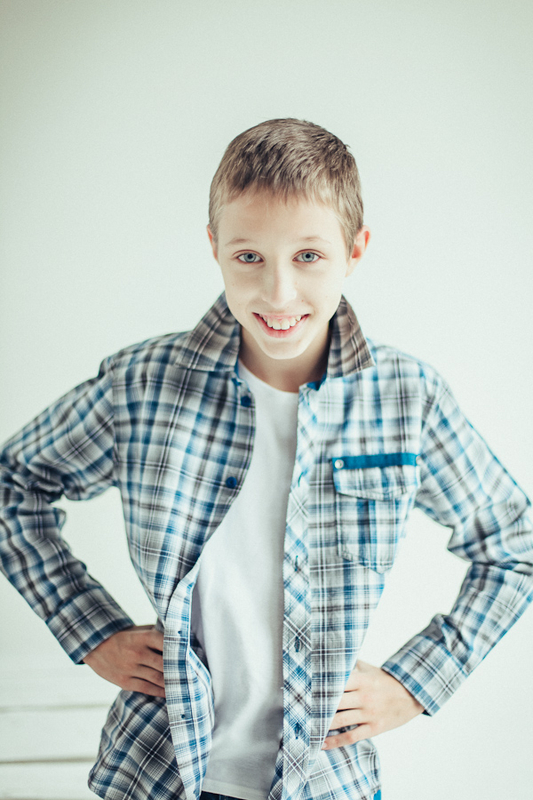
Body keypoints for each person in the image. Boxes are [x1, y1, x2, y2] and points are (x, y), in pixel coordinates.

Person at [0, 118, 531, 800]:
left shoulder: (408, 398)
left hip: (326, 778)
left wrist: (416, 683)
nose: (278, 294)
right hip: (159, 771)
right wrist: (91, 629)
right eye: (249, 256)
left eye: (308, 256)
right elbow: (14, 485)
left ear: (354, 250)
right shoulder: (141, 385)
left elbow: (514, 546)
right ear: (215, 247)